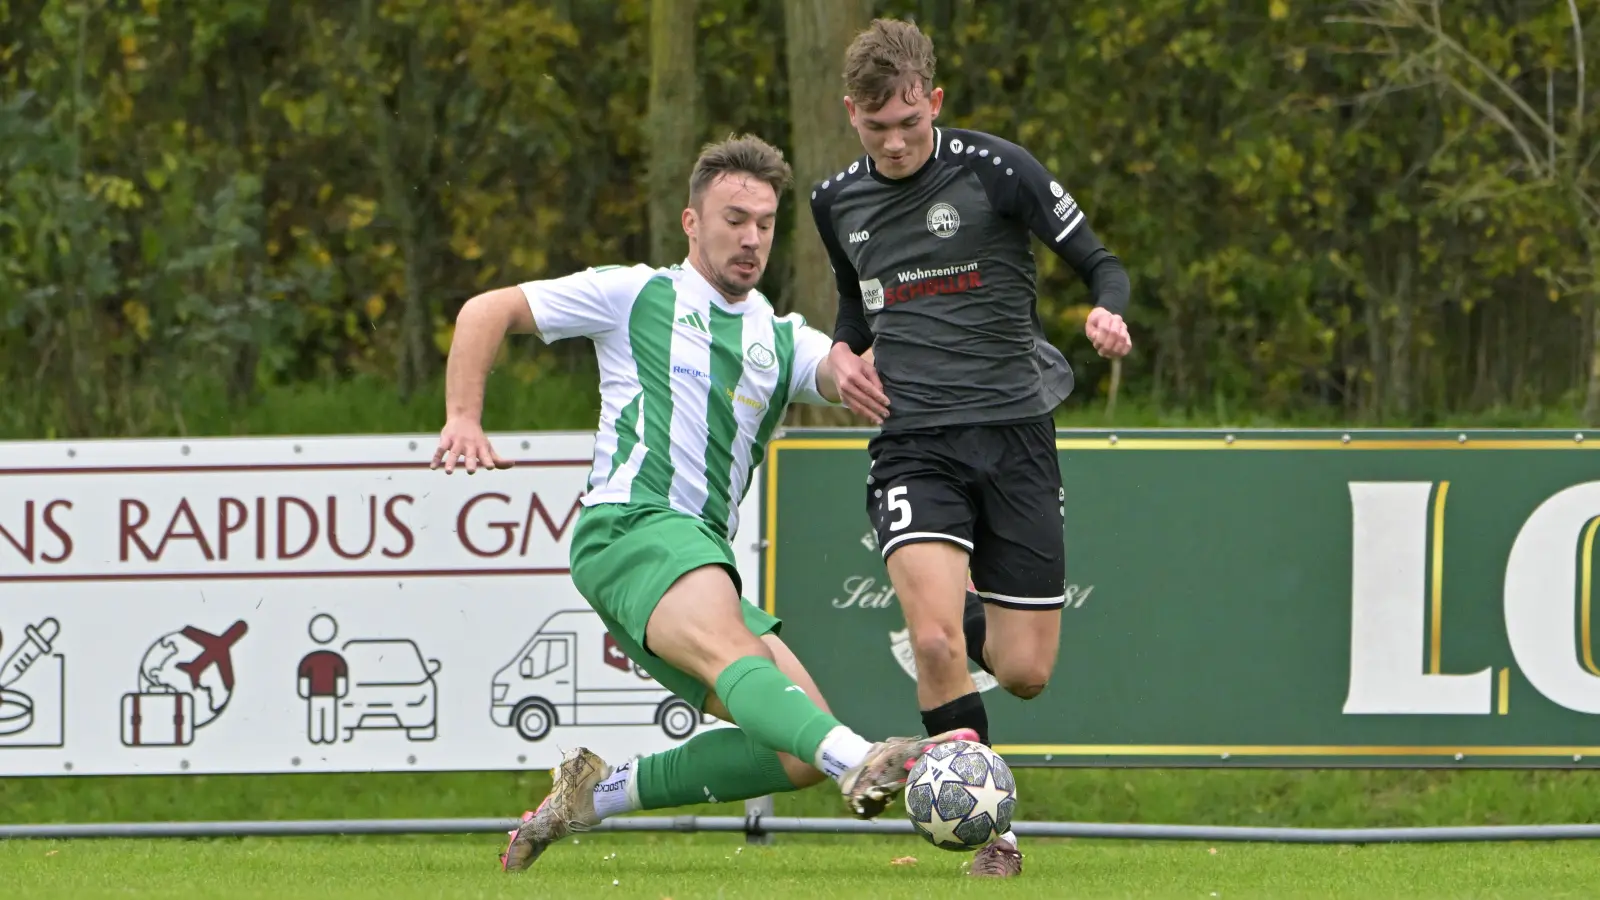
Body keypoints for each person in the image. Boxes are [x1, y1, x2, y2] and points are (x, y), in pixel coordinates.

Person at [430, 133, 978, 874]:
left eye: (764, 223)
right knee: (800, 718)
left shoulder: (781, 339)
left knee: (792, 756)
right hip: (630, 527)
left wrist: (899, 364)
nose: (751, 238)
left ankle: (589, 798)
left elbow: (845, 368)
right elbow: (485, 309)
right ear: (692, 223)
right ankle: (863, 760)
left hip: (696, 557)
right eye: (733, 219)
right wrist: (463, 416)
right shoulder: (636, 294)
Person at [808, 18, 1135, 878]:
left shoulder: (997, 170)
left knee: (1025, 670)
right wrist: (842, 357)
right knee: (936, 644)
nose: (896, 141)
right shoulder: (834, 200)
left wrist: (1107, 310)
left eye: (910, 123)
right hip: (913, 442)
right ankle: (994, 835)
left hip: (1016, 435)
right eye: (877, 128)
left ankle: (942, 639)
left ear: (934, 100)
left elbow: (1100, 262)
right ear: (852, 114)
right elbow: (855, 311)